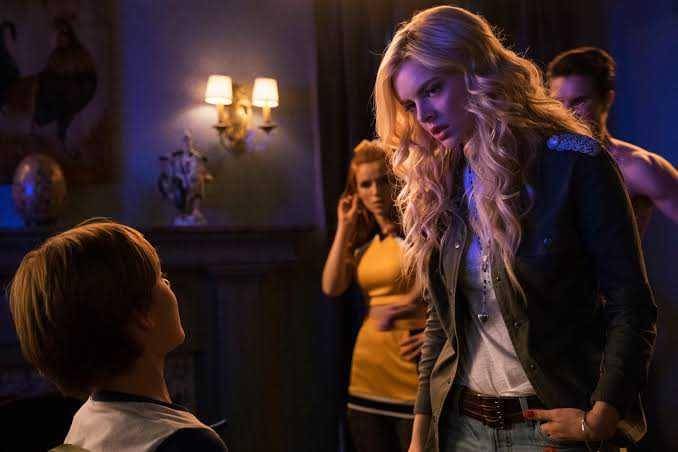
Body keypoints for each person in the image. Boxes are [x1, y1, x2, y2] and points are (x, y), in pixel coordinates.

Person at [373, 6, 656, 452]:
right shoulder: (442, 179)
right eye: (410, 104)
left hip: (550, 429)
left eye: (433, 89)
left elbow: (631, 304)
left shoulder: (573, 163)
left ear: (474, 71)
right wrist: (419, 437)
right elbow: (442, 324)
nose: (423, 114)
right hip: (461, 428)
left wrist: (602, 417)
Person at [8, 219, 227, 452]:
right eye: (159, 277)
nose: (168, 283)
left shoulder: (85, 419)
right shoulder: (191, 444)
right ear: (141, 314)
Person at [322, 140, 426, 452]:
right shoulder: (364, 245)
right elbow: (331, 286)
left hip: (413, 376)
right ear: (355, 192)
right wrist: (344, 226)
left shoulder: (422, 232)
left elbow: (442, 290)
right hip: (366, 377)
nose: (376, 191)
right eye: (365, 184)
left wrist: (436, 336)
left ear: (397, 179)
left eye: (383, 180)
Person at [547, 47, 678, 234]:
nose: (566, 112)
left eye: (579, 101)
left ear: (607, 100)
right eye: (557, 102)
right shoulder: (538, 165)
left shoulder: (636, 167)